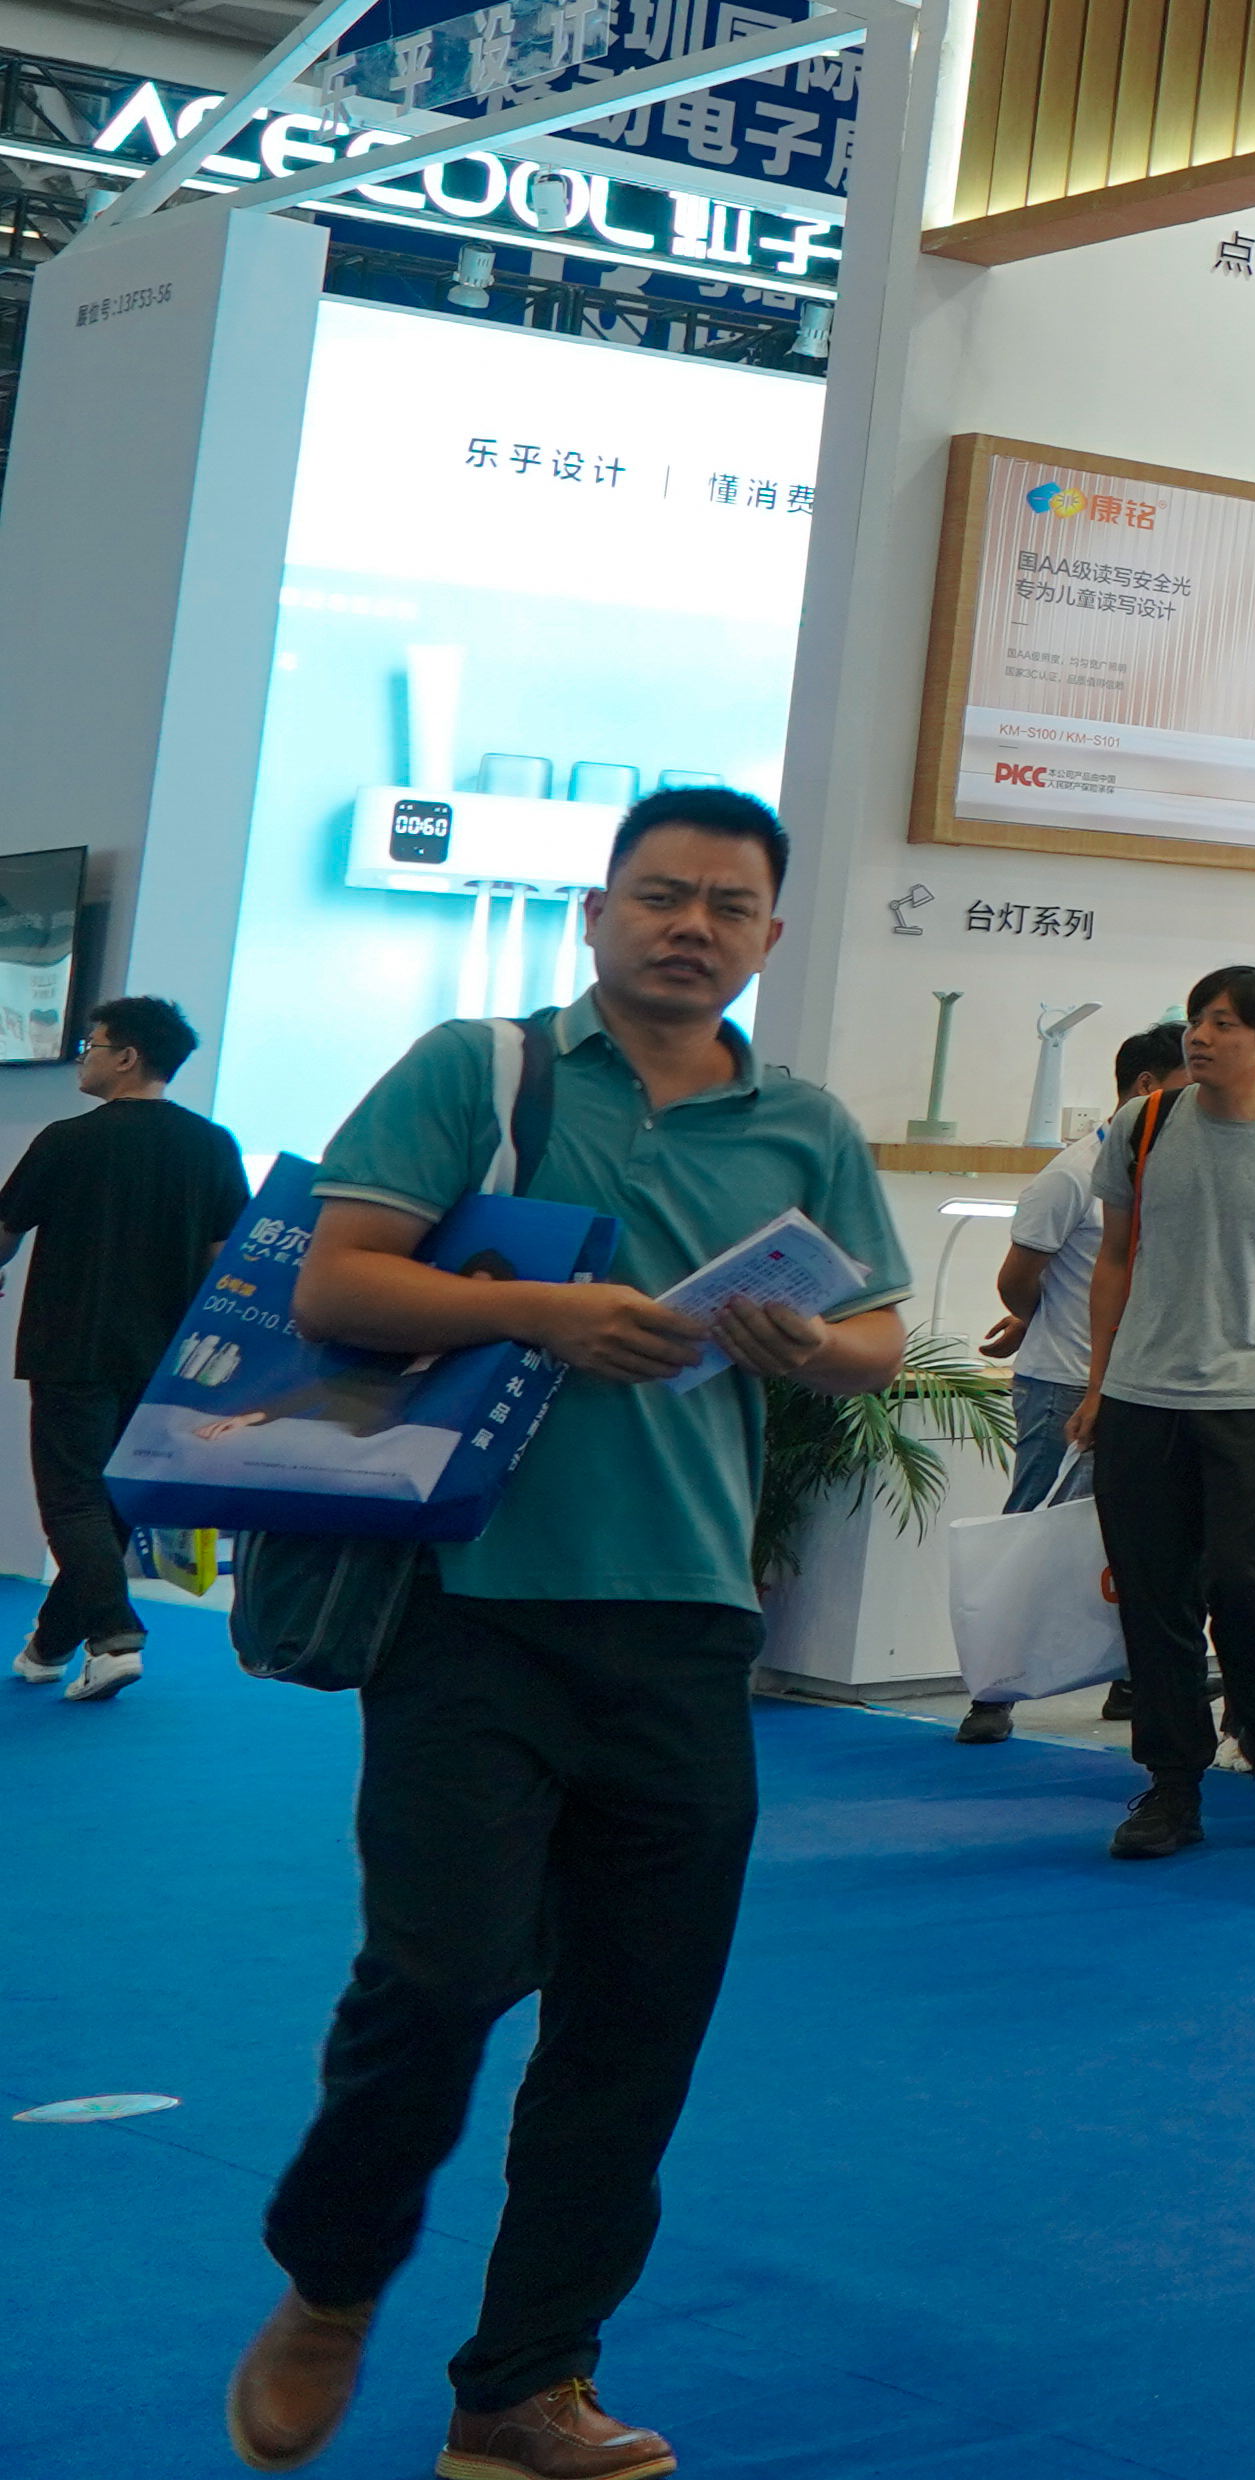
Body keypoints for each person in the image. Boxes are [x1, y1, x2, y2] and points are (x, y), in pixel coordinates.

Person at [227, 785, 906, 2480]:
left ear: (765, 936)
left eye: (727, 907)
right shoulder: (484, 1071)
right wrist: (545, 1314)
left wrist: (803, 1347)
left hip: (686, 1619)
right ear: (597, 912)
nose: (691, 927)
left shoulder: (802, 1123)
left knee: (634, 2022)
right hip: (471, 1608)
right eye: (661, 895)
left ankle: (525, 2387)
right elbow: (335, 1282)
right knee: (438, 1980)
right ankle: (331, 2281)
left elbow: (881, 1340)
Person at [1066, 967, 1255, 1855]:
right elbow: (1114, 1257)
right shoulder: (1144, 1123)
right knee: (1152, 1597)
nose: (1200, 1035)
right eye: (1198, 1019)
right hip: (1140, 1396)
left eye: (1224, 1024)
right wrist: (1097, 1383)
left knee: (1251, 1585)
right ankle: (1171, 1789)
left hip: (1251, 1395)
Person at [7, 992, 247, 1703]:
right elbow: (225, 1260)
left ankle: (115, 1636)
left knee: (72, 1499)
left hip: (70, 1345)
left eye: (93, 1045)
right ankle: (50, 1644)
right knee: (111, 1504)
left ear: (128, 1057)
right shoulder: (213, 1144)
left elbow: (4, 1230)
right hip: (164, 1355)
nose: (84, 1058)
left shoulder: (67, 1140)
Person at [952, 1024, 1181, 1746]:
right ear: (1146, 1087)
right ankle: (993, 1691)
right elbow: (1018, 1277)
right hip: (1062, 1382)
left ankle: (1128, 1679)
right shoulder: (1073, 1174)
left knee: (1135, 1540)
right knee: (1033, 1534)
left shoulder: (1167, 1172)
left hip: (1140, 1383)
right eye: (1186, 1088)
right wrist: (1035, 1319)